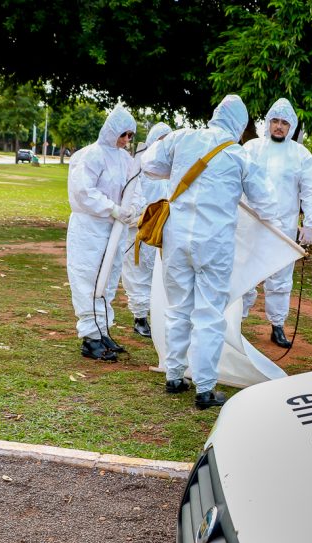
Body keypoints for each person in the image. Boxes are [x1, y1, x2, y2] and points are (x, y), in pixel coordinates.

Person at [142, 94, 277, 409]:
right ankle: (204, 388)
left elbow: (149, 164)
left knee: (177, 308)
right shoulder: (239, 155)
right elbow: (267, 203)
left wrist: (176, 172)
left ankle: (174, 375)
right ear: (240, 125)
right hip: (214, 244)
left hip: (175, 239)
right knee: (208, 314)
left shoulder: (180, 138)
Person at [242, 98, 312, 348]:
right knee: (244, 274)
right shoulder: (252, 148)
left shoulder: (301, 155)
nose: (279, 126)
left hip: (283, 228)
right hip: (251, 224)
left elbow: (310, 191)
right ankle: (235, 322)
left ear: (292, 126)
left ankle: (277, 326)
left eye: (284, 122)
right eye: (275, 121)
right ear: (267, 123)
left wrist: (310, 224)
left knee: (281, 278)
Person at [65, 105, 138, 361]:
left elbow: (132, 189)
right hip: (90, 228)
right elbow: (84, 192)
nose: (126, 140)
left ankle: (102, 329)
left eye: (130, 135)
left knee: (108, 278)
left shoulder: (125, 159)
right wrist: (113, 209)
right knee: (88, 278)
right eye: (124, 134)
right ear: (112, 130)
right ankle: (90, 338)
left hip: (113, 228)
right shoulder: (90, 155)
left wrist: (129, 212)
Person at [120, 122, 172, 338]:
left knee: (162, 276)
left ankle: (161, 316)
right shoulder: (138, 168)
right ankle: (140, 317)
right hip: (140, 233)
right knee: (137, 274)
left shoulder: (173, 169)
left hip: (165, 232)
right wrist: (141, 217)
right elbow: (131, 198)